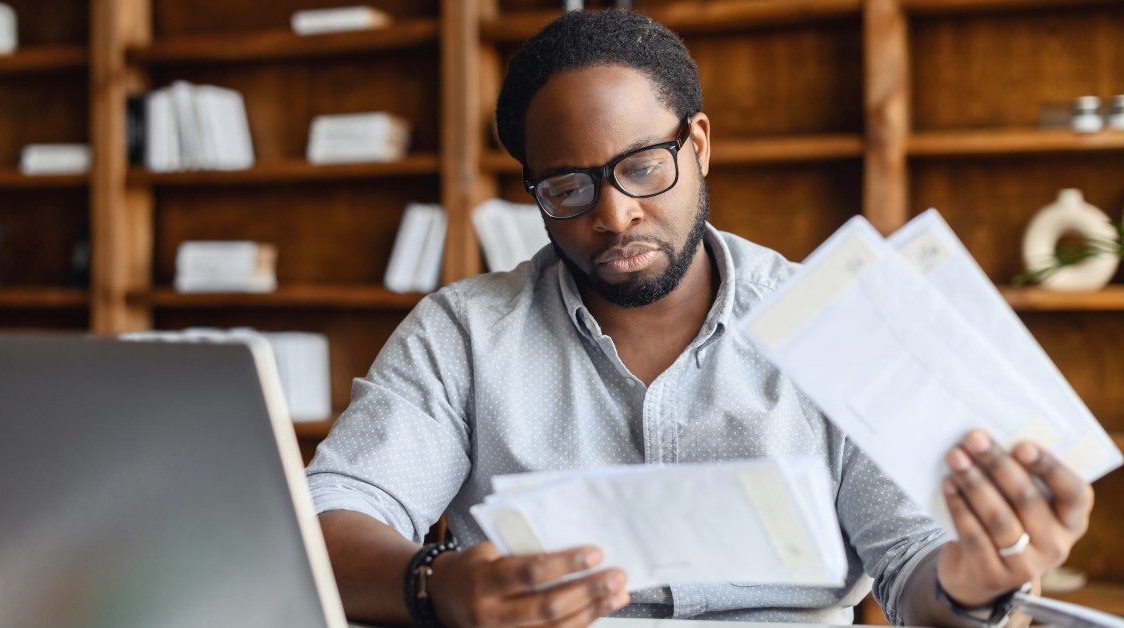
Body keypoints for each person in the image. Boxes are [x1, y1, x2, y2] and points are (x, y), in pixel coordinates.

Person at [306, 9, 1092, 628]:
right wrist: (434, 586)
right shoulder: (464, 333)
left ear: (700, 144)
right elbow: (326, 522)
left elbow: (920, 577)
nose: (615, 215)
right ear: (535, 194)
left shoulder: (835, 323)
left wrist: (973, 585)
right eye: (568, 189)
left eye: (644, 167)